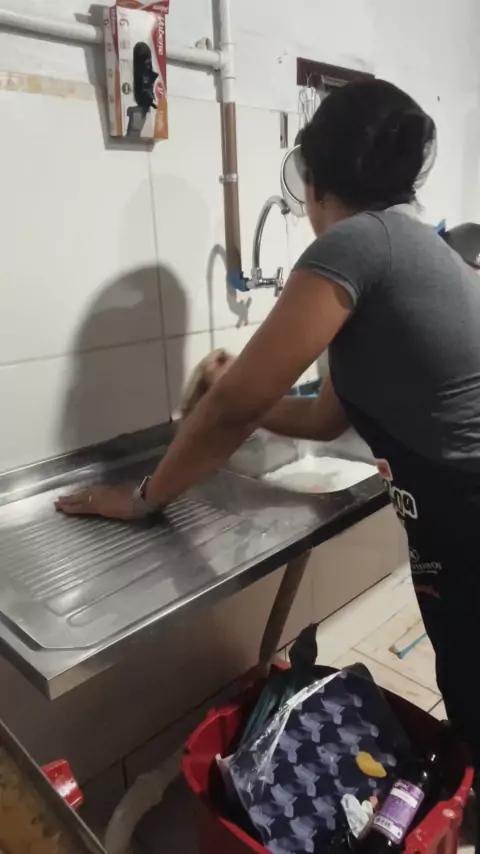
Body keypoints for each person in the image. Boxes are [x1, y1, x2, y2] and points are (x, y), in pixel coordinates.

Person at [57, 79, 480, 815]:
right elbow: (324, 418)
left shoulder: (355, 242)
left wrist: (144, 496)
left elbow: (234, 409)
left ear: (314, 184)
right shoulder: (408, 244)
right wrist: (234, 399)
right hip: (455, 517)